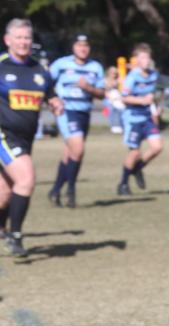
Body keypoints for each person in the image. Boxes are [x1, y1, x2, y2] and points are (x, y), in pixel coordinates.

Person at [0, 19, 63, 258]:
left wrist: (56, 104)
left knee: (5, 193)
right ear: (8, 40)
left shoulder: (40, 70)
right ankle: (15, 237)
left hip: (25, 139)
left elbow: (51, 95)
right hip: (3, 135)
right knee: (26, 179)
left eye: (27, 37)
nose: (24, 42)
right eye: (19, 37)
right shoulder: (1, 66)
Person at [47, 34, 105, 208]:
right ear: (73, 47)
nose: (83, 48)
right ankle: (70, 190)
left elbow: (102, 93)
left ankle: (55, 190)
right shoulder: (61, 64)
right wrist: (53, 100)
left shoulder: (96, 67)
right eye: (79, 45)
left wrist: (88, 88)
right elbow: (45, 84)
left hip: (84, 113)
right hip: (67, 111)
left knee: (71, 153)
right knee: (78, 149)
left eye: (86, 45)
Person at [117, 43, 162, 196]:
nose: (146, 60)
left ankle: (137, 169)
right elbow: (124, 98)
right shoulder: (132, 77)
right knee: (135, 152)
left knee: (157, 147)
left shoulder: (153, 75)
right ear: (136, 60)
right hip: (132, 118)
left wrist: (156, 104)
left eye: (147, 57)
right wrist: (142, 100)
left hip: (147, 117)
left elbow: (153, 94)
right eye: (142, 57)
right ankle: (123, 184)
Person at [103, 66, 124, 133]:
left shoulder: (118, 80)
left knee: (122, 109)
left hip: (117, 98)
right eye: (112, 73)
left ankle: (121, 126)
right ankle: (113, 126)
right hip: (108, 99)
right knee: (110, 107)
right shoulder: (104, 80)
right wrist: (111, 99)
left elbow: (123, 90)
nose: (114, 74)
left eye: (115, 73)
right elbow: (104, 92)